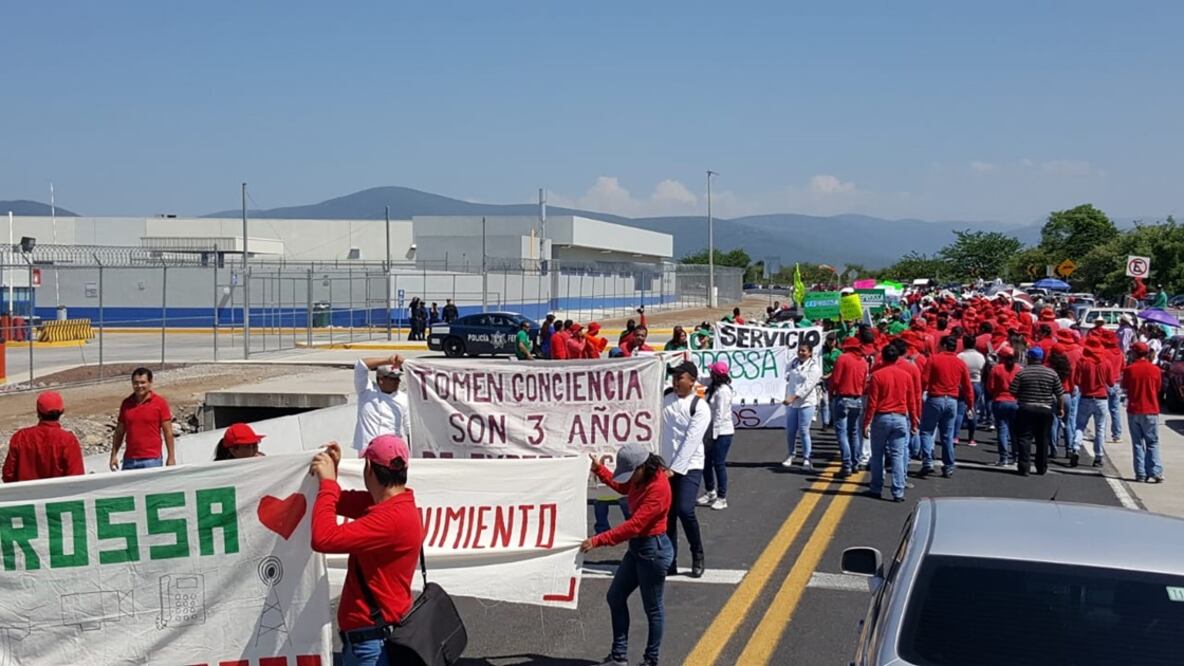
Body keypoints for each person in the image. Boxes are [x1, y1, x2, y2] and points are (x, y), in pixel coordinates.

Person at [310, 437, 422, 666]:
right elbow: (335, 501)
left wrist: (329, 483)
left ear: (368, 467)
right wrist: (332, 474)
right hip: (373, 639)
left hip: (373, 644)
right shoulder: (397, 506)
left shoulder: (390, 519)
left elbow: (323, 538)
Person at [583, 445, 673, 666]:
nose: (629, 478)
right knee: (615, 596)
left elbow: (634, 526)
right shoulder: (641, 477)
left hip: (653, 550)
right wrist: (600, 470)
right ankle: (619, 656)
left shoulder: (658, 488)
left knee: (653, 609)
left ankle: (650, 660)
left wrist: (597, 540)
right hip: (640, 548)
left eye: (631, 472)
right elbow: (624, 488)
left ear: (642, 467)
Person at [661, 361, 709, 578]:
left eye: (680, 377)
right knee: (667, 515)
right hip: (665, 466)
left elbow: (691, 440)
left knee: (684, 510)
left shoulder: (700, 407)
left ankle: (697, 553)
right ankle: (670, 560)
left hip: (690, 466)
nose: (675, 381)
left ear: (692, 380)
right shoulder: (665, 400)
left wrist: (676, 469)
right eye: (673, 377)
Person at [862, 345, 919, 502]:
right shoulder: (906, 375)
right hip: (900, 418)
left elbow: (872, 402)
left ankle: (876, 487)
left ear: (883, 358)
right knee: (898, 456)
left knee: (878, 455)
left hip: (882, 417)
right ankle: (898, 491)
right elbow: (911, 401)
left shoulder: (877, 376)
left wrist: (866, 422)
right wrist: (914, 421)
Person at [919, 336, 974, 478]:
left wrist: (919, 394)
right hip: (952, 400)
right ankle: (948, 465)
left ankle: (927, 462)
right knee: (947, 435)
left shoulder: (933, 359)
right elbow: (967, 386)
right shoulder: (960, 363)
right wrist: (970, 404)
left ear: (943, 345)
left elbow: (924, 380)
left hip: (935, 397)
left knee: (926, 431)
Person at [2, 391, 84, 482]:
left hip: (26, 495)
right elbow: (76, 478)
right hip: (58, 495)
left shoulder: (20, 437)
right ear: (61, 411)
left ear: (38, 411)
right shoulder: (68, 440)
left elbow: (8, 474)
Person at [1010, 347, 1064, 476]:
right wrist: (1061, 408)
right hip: (1045, 409)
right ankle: (1041, 467)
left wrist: (1022, 395)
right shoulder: (1051, 373)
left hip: (1026, 408)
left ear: (1029, 358)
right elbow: (1059, 393)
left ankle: (1024, 467)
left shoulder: (1022, 373)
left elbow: (1013, 390)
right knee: (1043, 439)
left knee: (1024, 438)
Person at [110, 367, 177, 470]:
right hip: (129, 460)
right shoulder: (126, 404)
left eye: (142, 382)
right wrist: (113, 455)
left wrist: (171, 457)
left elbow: (168, 432)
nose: (139, 386)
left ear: (150, 383)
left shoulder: (160, 403)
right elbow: (119, 432)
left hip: (151, 460)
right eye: (136, 383)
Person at [1123, 342, 1164, 483]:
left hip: (1134, 409)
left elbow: (1125, 387)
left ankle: (1140, 473)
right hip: (1151, 409)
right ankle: (1155, 471)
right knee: (1152, 442)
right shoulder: (1155, 370)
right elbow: (1158, 388)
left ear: (1135, 353)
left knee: (1137, 443)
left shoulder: (1129, 370)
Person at [697, 361, 735, 510]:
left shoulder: (723, 391)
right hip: (710, 430)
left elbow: (720, 414)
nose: (709, 374)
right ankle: (710, 491)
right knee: (705, 461)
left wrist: (713, 435)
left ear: (716, 374)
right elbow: (699, 378)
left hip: (722, 432)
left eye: (711, 371)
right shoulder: (713, 385)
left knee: (718, 463)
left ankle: (722, 497)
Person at [1073, 339, 1116, 468]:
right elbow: (1111, 383)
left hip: (1086, 397)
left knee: (1080, 425)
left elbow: (1077, 380)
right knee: (1100, 429)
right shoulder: (1106, 363)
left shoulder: (1082, 362)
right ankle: (1098, 456)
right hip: (1101, 398)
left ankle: (1075, 447)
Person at [830, 337, 869, 477]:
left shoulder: (842, 358)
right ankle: (855, 463)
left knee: (842, 433)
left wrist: (831, 395)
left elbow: (835, 380)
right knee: (854, 432)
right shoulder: (863, 361)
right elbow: (865, 382)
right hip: (857, 399)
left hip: (843, 398)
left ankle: (846, 464)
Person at [353, 355, 408, 452]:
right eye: (393, 378)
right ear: (381, 380)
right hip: (368, 448)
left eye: (398, 378)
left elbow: (409, 429)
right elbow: (360, 365)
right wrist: (387, 360)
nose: (398, 381)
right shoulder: (366, 390)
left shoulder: (404, 398)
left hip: (392, 450)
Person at [782, 343, 822, 471]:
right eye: (799, 351)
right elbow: (783, 375)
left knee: (804, 430)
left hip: (806, 403)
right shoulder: (793, 363)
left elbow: (808, 386)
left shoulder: (814, 368)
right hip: (792, 403)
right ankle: (791, 454)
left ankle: (806, 458)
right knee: (791, 430)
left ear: (810, 353)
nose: (800, 353)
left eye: (804, 351)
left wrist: (793, 397)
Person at [987, 346, 1021, 466]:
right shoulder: (1019, 369)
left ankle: (1003, 457)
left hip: (1000, 401)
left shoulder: (996, 369)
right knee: (1014, 431)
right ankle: (1015, 457)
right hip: (1015, 402)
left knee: (1002, 429)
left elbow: (990, 387)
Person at [956, 334, 986, 447]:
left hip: (963, 384)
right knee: (972, 409)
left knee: (959, 410)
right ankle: (971, 438)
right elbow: (983, 369)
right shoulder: (980, 356)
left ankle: (956, 436)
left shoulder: (960, 356)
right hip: (976, 383)